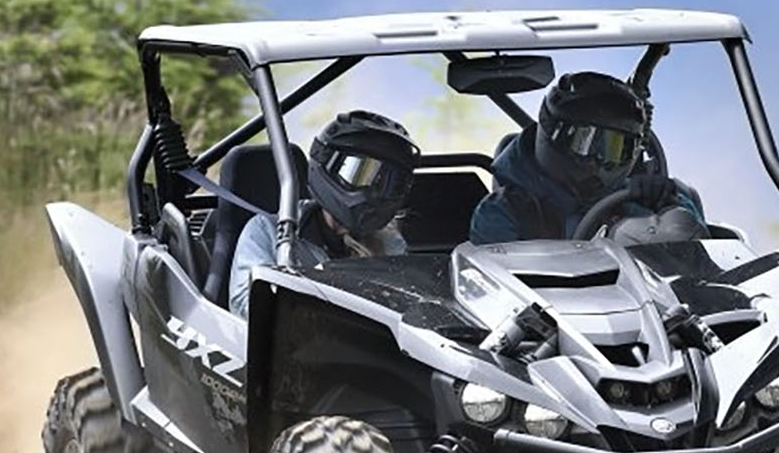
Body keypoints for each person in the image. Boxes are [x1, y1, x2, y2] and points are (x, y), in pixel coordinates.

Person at [470, 72, 700, 245]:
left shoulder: (643, 198)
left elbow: (704, 268)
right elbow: (506, 294)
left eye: (616, 148)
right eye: (586, 141)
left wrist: (671, 204)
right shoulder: (503, 211)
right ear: (552, 134)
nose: (598, 160)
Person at [229, 110, 419, 317]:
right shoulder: (268, 231)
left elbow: (407, 309)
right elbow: (246, 308)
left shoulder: (390, 242)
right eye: (360, 173)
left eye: (391, 185)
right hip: (298, 345)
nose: (374, 192)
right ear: (328, 165)